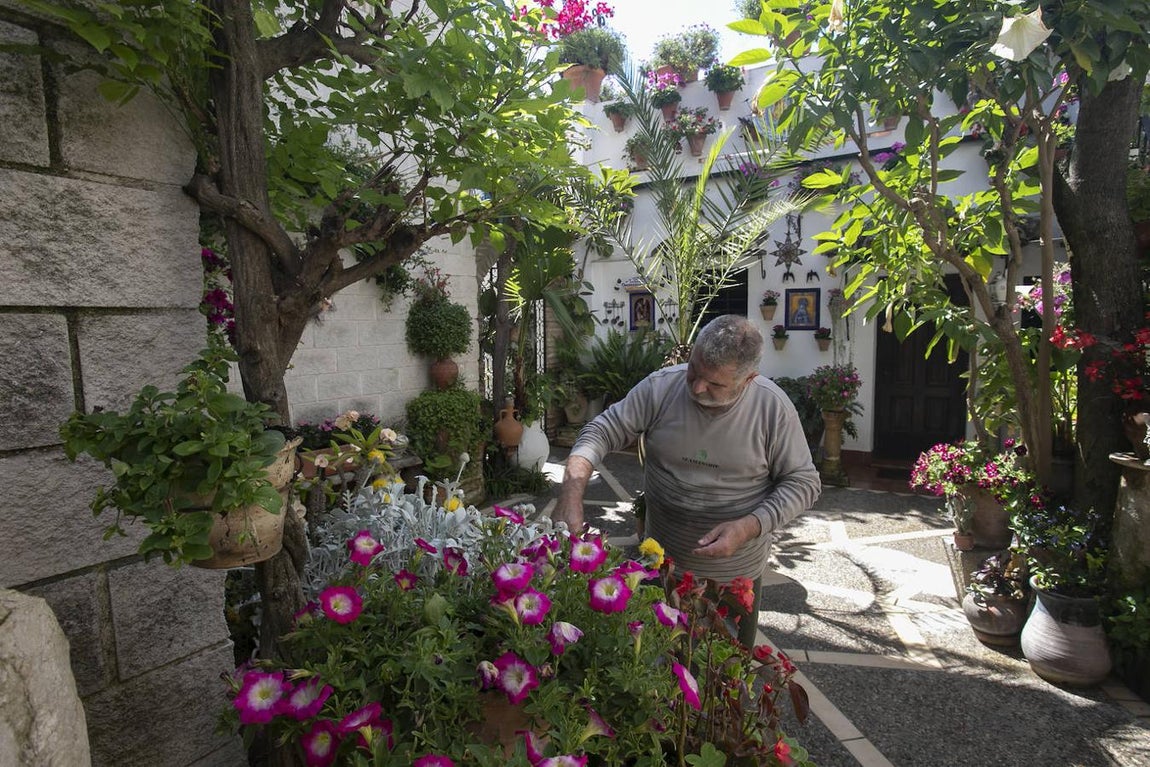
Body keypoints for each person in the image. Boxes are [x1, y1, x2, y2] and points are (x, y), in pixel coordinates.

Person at [554, 315, 822, 647]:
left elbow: (803, 482)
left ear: (749, 379)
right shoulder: (661, 387)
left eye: (714, 384)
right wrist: (571, 492)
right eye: (694, 370)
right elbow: (600, 431)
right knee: (651, 669)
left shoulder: (773, 409)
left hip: (732, 580)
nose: (696, 387)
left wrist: (750, 526)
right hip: (660, 568)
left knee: (721, 681)